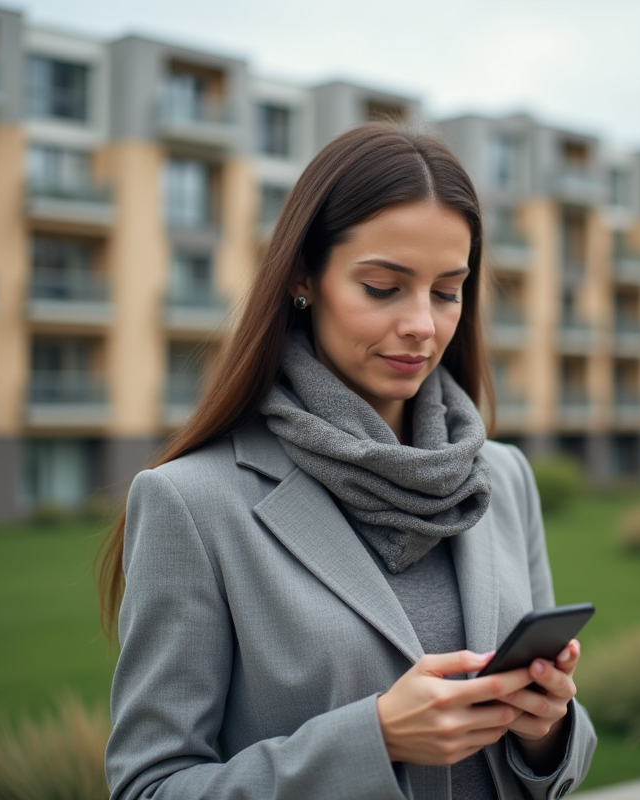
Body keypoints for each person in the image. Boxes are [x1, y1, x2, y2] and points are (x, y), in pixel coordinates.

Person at [98, 123, 597, 800]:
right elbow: (150, 785)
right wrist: (377, 740)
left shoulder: (504, 478)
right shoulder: (190, 502)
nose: (422, 323)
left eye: (447, 291)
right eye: (384, 287)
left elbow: (556, 762)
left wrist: (549, 729)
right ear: (305, 277)